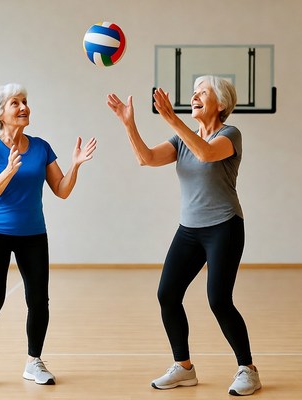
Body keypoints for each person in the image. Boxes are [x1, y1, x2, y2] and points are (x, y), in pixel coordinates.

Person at [107, 76, 261, 396]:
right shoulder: (181, 141)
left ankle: (247, 369)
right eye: (194, 92)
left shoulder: (230, 134)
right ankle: (184, 368)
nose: (194, 96)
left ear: (220, 104)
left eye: (202, 93)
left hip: (224, 227)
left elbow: (205, 153)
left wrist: (171, 118)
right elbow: (145, 158)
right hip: (189, 230)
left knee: (218, 299)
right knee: (167, 294)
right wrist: (128, 123)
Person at [0, 83, 97, 391]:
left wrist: (75, 165)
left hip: (33, 233)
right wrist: (8, 170)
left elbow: (61, 190)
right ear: (0, 113)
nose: (24, 107)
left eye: (25, 102)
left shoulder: (41, 147)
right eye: (16, 103)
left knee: (39, 300)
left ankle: (34, 361)